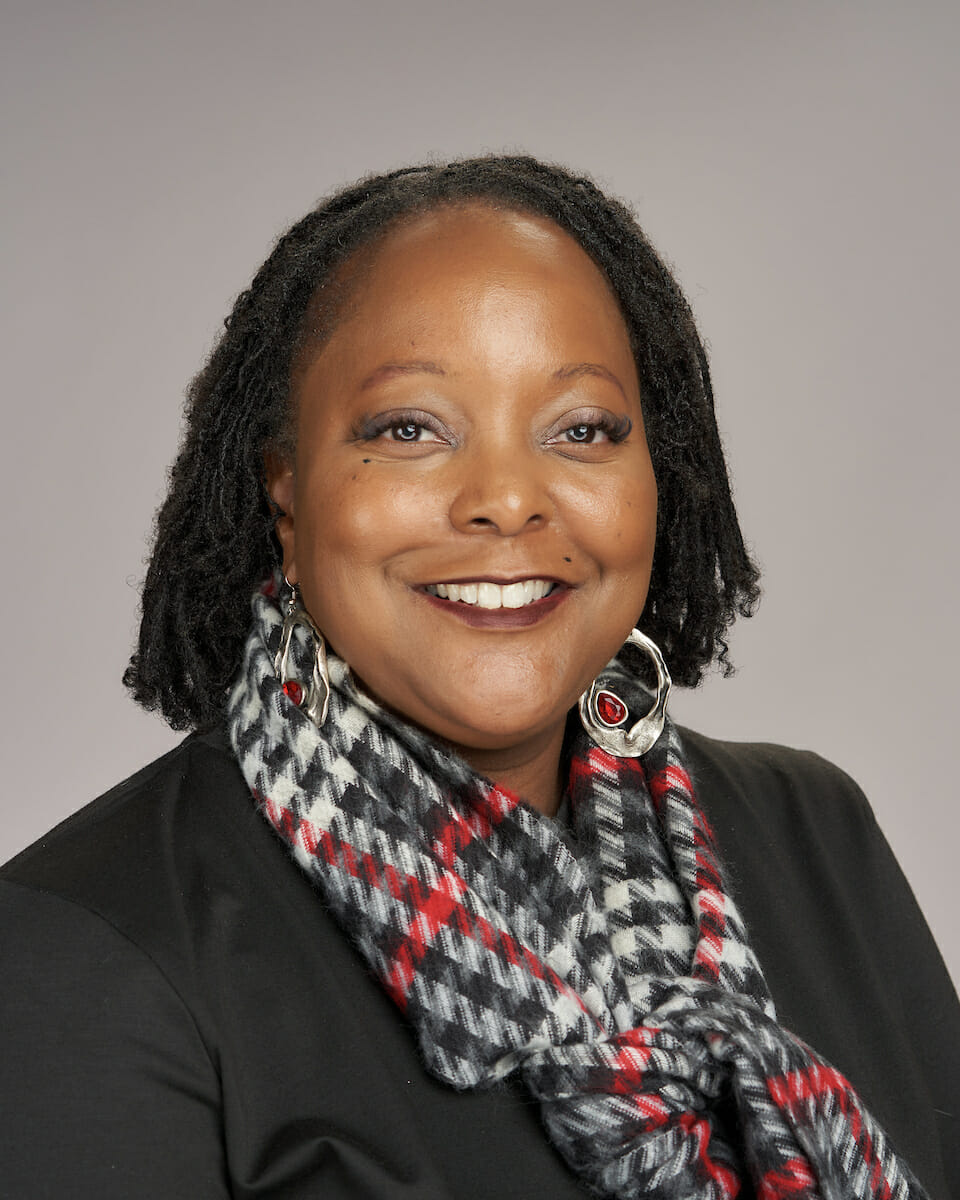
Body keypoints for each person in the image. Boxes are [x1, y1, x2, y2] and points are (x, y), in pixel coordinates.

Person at [1, 156, 957, 1199]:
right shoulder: (83, 953)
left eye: (581, 430)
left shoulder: (812, 834)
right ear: (285, 484)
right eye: (410, 429)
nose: (506, 500)